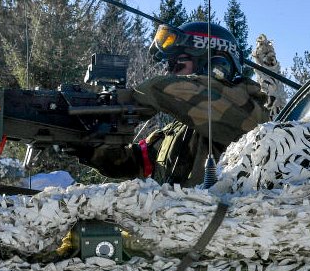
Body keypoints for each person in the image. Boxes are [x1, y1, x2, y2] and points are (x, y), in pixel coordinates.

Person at [75, 22, 269, 186]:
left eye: (178, 64)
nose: (170, 72)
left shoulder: (249, 112)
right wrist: (85, 142)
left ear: (212, 63)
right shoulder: (174, 131)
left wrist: (132, 99)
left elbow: (177, 91)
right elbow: (134, 162)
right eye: (168, 66)